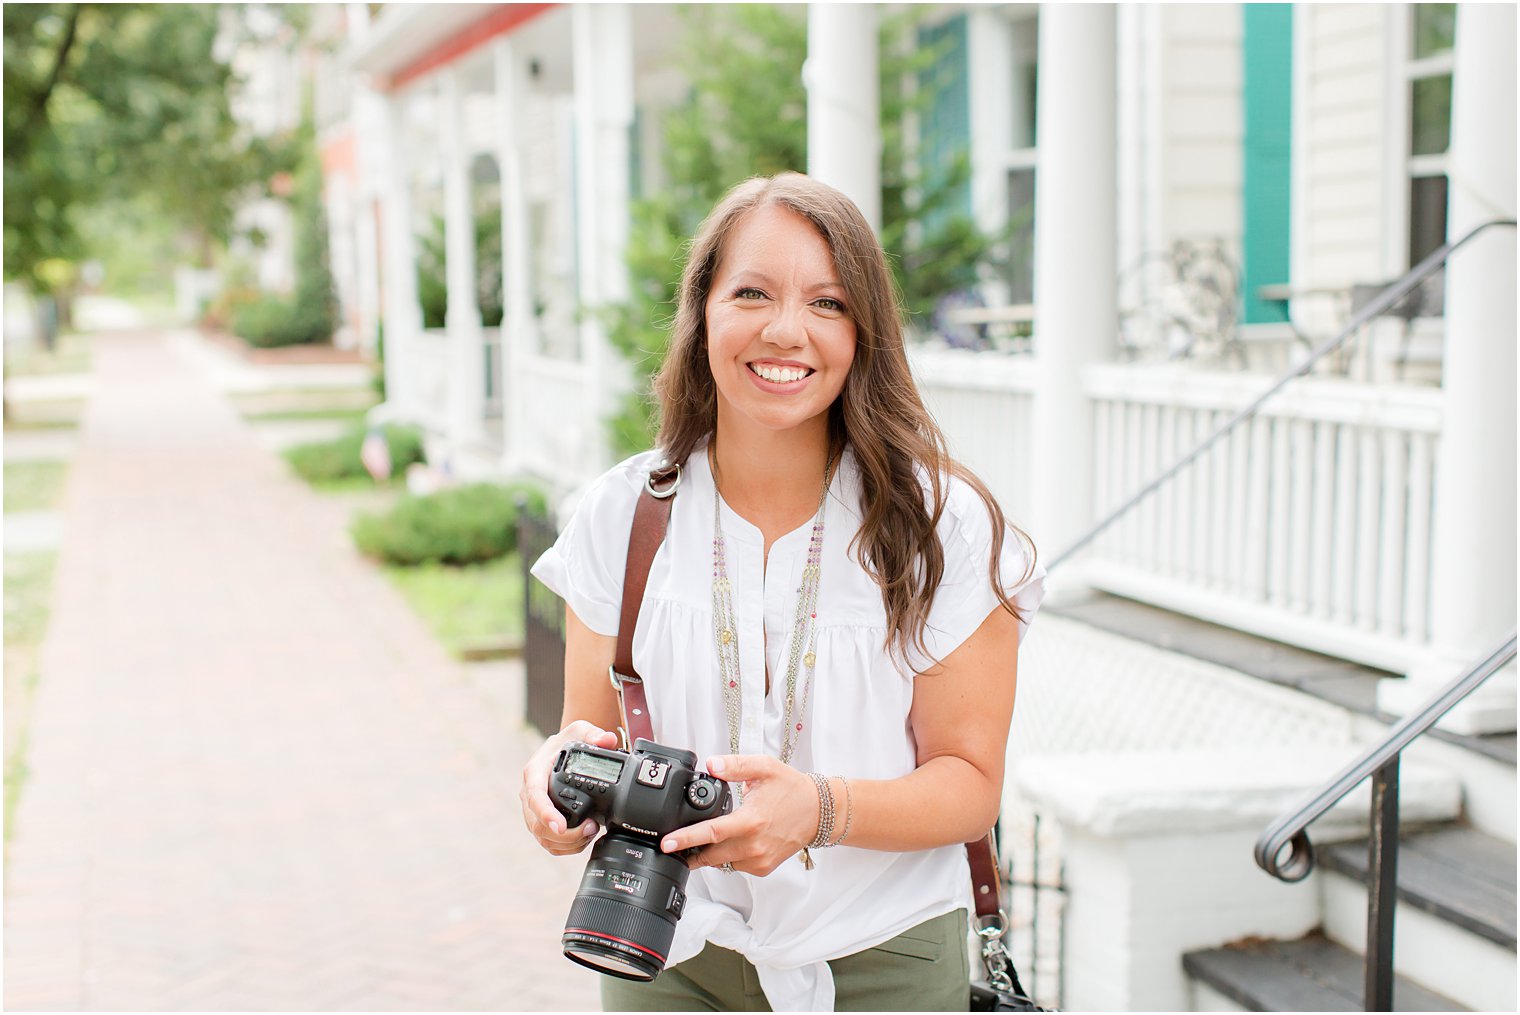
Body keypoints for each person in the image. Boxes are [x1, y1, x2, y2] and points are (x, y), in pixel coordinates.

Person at [521, 172, 1046, 1012]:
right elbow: (588, 732)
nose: (785, 330)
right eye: (752, 292)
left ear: (865, 330)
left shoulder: (945, 527)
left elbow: (971, 782)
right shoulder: (620, 515)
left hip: (884, 959)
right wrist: (555, 781)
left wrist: (819, 809)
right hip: (666, 949)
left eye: (829, 303)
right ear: (704, 315)